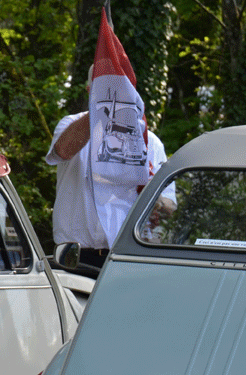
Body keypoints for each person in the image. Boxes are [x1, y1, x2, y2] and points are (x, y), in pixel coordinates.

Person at [47, 83, 175, 269]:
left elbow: (169, 208)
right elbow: (63, 151)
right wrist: (100, 110)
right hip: (74, 255)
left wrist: (153, 197)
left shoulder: (151, 141)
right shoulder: (71, 124)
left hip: (127, 255)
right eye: (103, 83)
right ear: (90, 88)